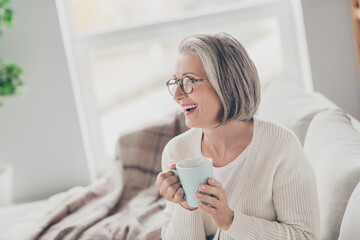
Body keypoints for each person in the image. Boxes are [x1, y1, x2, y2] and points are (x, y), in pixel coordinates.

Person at [155, 32, 319, 240]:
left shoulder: (281, 146)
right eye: (175, 82)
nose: (177, 96)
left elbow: (305, 236)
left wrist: (230, 221)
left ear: (226, 83)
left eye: (188, 81)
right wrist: (186, 208)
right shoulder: (177, 152)